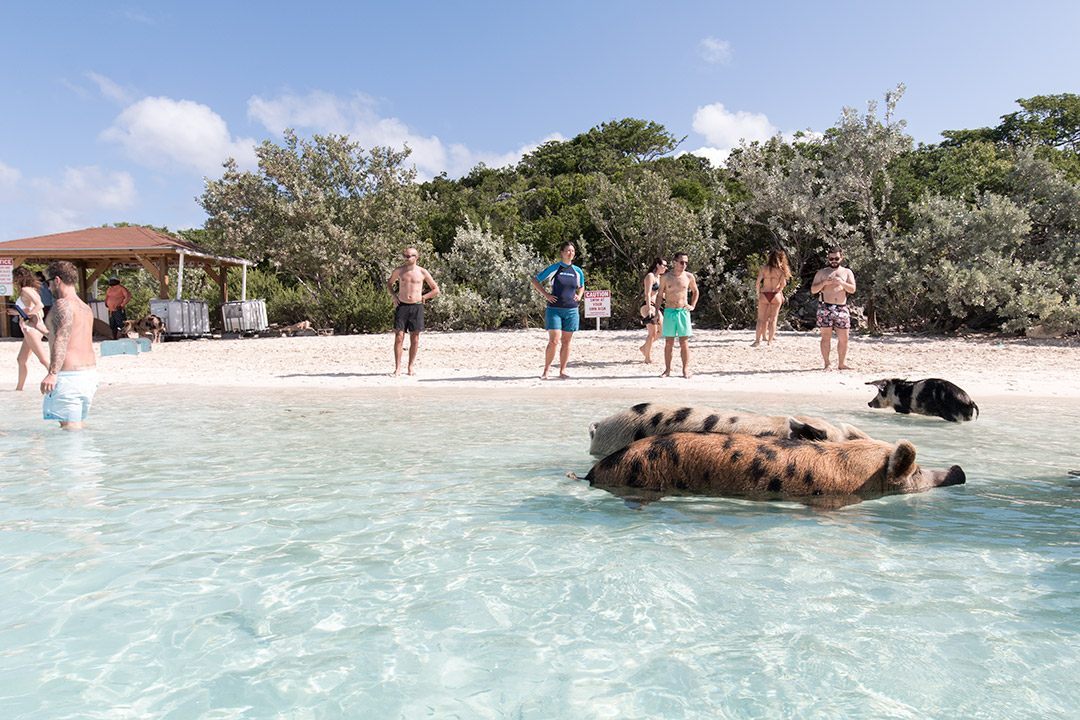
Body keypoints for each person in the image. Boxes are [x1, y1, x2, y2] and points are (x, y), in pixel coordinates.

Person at [25, 261, 98, 430]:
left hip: (69, 377)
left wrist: (52, 373)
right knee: (77, 425)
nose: (48, 288)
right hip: (88, 376)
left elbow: (62, 340)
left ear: (57, 280)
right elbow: (67, 336)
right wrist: (39, 327)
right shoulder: (85, 307)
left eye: (48, 283)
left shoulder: (62, 304)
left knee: (70, 430)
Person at [530, 241, 584, 379]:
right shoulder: (554, 268)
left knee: (566, 342)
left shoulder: (577, 271)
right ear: (562, 252)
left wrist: (579, 295)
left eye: (572, 251)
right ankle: (546, 371)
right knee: (554, 340)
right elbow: (535, 281)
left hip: (571, 310)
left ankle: (562, 371)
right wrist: (546, 295)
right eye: (567, 250)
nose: (570, 253)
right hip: (554, 310)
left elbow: (581, 286)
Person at [386, 247, 440, 376]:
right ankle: (397, 368)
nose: (406, 258)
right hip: (402, 305)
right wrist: (394, 295)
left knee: (414, 337)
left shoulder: (422, 272)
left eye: (409, 256)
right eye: (404, 255)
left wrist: (424, 297)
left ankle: (410, 367)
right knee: (399, 336)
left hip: (416, 306)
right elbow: (389, 283)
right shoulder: (399, 271)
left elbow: (435, 289)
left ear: (415, 257)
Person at [811, 246, 857, 371]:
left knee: (844, 337)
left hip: (841, 307)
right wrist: (824, 283)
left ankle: (841, 363)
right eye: (831, 259)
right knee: (826, 337)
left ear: (841, 258)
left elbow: (852, 289)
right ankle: (827, 364)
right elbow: (813, 290)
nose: (834, 261)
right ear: (828, 259)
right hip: (825, 306)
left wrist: (841, 282)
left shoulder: (847, 272)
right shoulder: (822, 273)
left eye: (836, 258)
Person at [7, 265, 49, 391]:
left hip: (31, 330)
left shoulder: (26, 290)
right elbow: (30, 308)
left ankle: (59, 381)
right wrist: (17, 312)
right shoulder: (30, 290)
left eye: (14, 278)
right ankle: (19, 389)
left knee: (44, 360)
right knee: (21, 359)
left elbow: (39, 306)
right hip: (28, 330)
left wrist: (28, 317)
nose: (13, 281)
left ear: (19, 278)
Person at [657, 252, 699, 379]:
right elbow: (659, 295)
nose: (684, 265)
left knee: (684, 342)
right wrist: (656, 313)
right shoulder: (665, 277)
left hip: (683, 312)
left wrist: (693, 305)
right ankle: (667, 370)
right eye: (682, 262)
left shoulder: (689, 276)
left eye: (686, 263)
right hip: (669, 311)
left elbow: (696, 291)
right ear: (675, 262)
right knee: (668, 342)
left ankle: (685, 370)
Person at [752, 249, 792, 347]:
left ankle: (757, 341)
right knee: (773, 319)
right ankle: (770, 341)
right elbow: (784, 283)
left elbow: (757, 282)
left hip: (765, 293)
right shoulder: (781, 270)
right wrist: (780, 290)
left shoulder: (764, 268)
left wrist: (759, 293)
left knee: (760, 319)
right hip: (775, 294)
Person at [639, 257, 668, 363]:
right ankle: (647, 357)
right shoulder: (650, 276)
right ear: (657, 265)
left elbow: (661, 294)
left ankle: (644, 348)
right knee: (652, 332)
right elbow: (647, 293)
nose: (665, 268)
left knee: (663, 330)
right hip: (647, 306)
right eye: (663, 265)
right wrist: (649, 308)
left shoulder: (660, 278)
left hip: (655, 307)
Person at [104, 275, 132, 340]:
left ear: (117, 281)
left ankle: (125, 338)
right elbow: (107, 296)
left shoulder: (121, 288)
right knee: (112, 325)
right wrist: (106, 302)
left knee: (122, 324)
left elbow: (128, 296)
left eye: (112, 280)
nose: (111, 282)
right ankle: (114, 338)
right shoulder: (109, 289)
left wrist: (122, 305)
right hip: (111, 310)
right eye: (110, 280)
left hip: (118, 310)